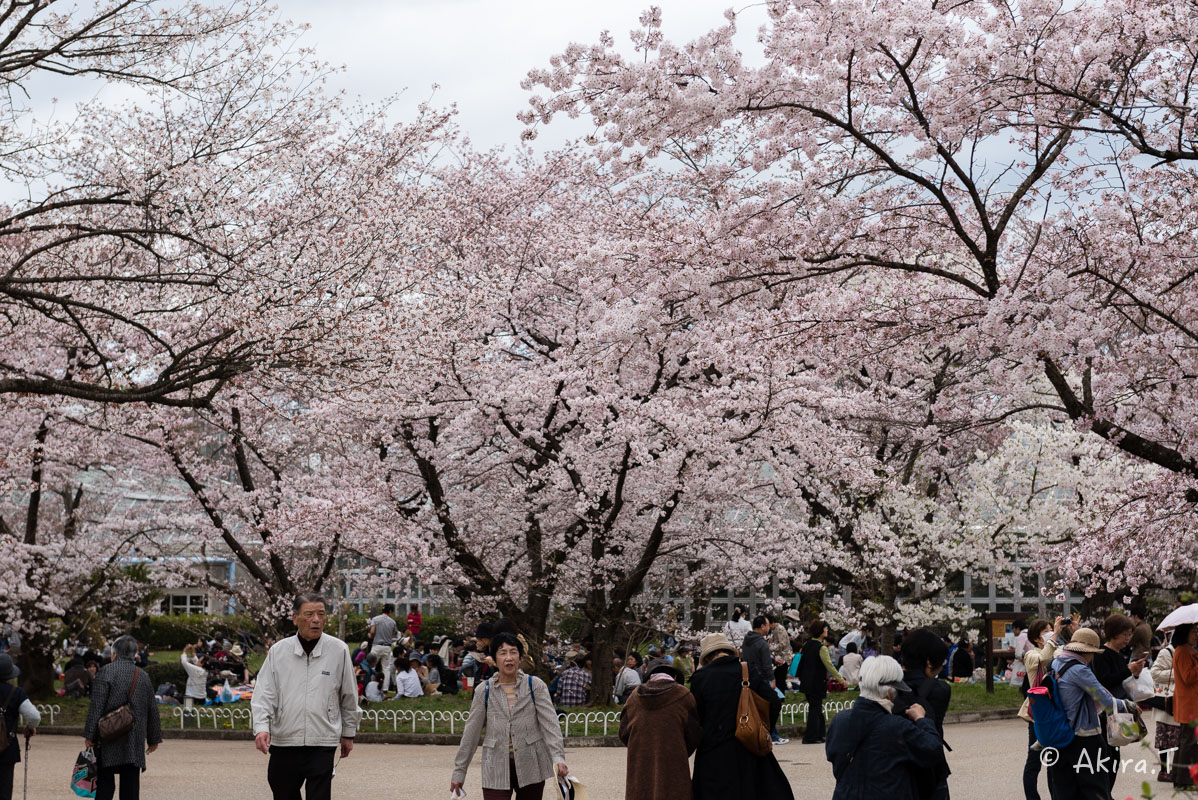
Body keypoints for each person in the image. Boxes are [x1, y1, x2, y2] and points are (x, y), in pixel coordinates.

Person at [251, 592, 360, 800]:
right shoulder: (278, 651)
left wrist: (348, 733)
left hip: (323, 739)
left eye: (321, 614)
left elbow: (349, 695)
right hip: (285, 739)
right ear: (295, 618)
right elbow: (263, 694)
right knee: (282, 790)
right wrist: (261, 728)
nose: (316, 619)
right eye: (309, 614)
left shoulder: (338, 650)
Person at [450, 632, 568, 800]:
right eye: (502, 652)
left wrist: (558, 758)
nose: (509, 658)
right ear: (494, 658)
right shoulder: (484, 691)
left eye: (513, 652)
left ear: (520, 657)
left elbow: (550, 725)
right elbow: (471, 734)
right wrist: (459, 772)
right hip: (495, 764)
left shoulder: (535, 685)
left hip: (531, 764)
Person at [689, 632, 793, 800]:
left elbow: (695, 718)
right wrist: (763, 729)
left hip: (714, 754)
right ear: (729, 652)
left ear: (707, 657)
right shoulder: (747, 671)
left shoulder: (700, 678)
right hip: (749, 745)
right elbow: (774, 702)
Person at [825, 655, 943, 799]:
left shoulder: (839, 720)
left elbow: (833, 756)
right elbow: (933, 750)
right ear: (889, 692)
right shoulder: (897, 727)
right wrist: (921, 719)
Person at [1045, 627, 1137, 798]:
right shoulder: (1080, 670)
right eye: (1093, 653)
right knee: (1096, 787)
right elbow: (1106, 701)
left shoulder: (1055, 663)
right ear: (1087, 652)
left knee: (1064, 789)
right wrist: (1128, 705)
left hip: (1058, 734)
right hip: (1083, 737)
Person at [82, 636, 162, 800]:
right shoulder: (143, 676)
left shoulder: (106, 672)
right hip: (134, 737)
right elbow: (152, 709)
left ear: (115, 654)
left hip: (108, 736)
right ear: (134, 655)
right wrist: (153, 739)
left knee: (104, 784)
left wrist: (90, 735)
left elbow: (96, 706)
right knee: (130, 786)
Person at [619, 657, 701, 800]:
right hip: (674, 759)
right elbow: (694, 733)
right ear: (674, 676)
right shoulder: (683, 695)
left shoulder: (634, 696)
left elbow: (623, 732)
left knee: (642, 791)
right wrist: (679, 749)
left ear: (650, 675)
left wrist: (640, 747)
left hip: (640, 759)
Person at [1091, 613, 1146, 796]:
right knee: (1107, 757)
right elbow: (1104, 682)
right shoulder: (1100, 655)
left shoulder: (1119, 655)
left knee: (1114, 756)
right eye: (1125, 635)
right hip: (1106, 713)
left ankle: (1107, 794)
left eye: (1130, 635)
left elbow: (1121, 682)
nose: (1128, 639)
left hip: (1119, 709)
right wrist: (1127, 670)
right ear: (1113, 633)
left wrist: (1134, 672)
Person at [892, 628, 951, 800]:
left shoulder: (890, 688)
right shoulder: (941, 690)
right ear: (929, 663)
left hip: (898, 766)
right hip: (932, 767)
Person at [1016, 617, 1067, 800]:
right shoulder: (1031, 654)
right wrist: (1054, 637)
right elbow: (1043, 658)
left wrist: (1074, 632)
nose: (1051, 633)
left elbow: (1069, 656)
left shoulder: (1056, 649)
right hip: (1038, 715)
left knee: (1053, 760)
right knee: (1034, 762)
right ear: (1038, 638)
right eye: (1046, 630)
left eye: (1051, 629)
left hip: (1054, 711)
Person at [0, 653, 39, 800]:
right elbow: (34, 716)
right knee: (4, 790)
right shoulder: (16, 692)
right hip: (6, 747)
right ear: (10, 675)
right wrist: (30, 727)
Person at [742, 615, 786, 744]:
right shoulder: (762, 642)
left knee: (757, 707)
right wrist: (772, 679)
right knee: (772, 705)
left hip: (749, 677)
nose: (768, 628)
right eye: (767, 625)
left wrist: (773, 659)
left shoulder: (747, 640)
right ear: (762, 627)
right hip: (762, 678)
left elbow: (753, 657)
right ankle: (771, 734)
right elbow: (766, 665)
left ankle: (770, 734)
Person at [797, 620, 840, 744]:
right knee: (815, 709)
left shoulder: (807, 644)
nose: (827, 630)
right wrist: (841, 679)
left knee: (816, 708)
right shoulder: (822, 648)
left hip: (806, 682)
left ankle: (820, 734)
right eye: (825, 628)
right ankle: (810, 736)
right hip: (816, 682)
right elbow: (829, 666)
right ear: (820, 631)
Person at [1151, 627, 1179, 783]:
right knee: (1165, 738)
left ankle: (1172, 769)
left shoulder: (1186, 652)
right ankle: (1164, 770)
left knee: (1175, 737)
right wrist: (1176, 672)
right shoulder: (1166, 652)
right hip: (1166, 700)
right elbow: (1154, 672)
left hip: (1178, 700)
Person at [1172, 623, 1198, 788]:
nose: (1196, 635)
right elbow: (1188, 677)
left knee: (1186, 740)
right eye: (1193, 632)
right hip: (1189, 702)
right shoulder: (1182, 651)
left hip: (1190, 701)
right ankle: (1183, 779)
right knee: (1188, 741)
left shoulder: (1189, 650)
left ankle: (1179, 777)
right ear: (1184, 634)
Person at [368, 603, 399, 695]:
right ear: (390, 611)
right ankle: (385, 689)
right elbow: (394, 633)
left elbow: (372, 632)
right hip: (387, 647)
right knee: (386, 668)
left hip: (376, 646)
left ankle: (370, 684)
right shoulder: (392, 622)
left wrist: (370, 635)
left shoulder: (375, 619)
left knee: (371, 666)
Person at [180, 645, 208, 711]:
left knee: (174, 699)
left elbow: (184, 662)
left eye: (199, 660)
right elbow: (197, 663)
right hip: (202, 699)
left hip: (191, 699)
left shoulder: (195, 670)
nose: (197, 661)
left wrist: (184, 651)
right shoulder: (205, 671)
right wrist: (192, 653)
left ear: (202, 664)